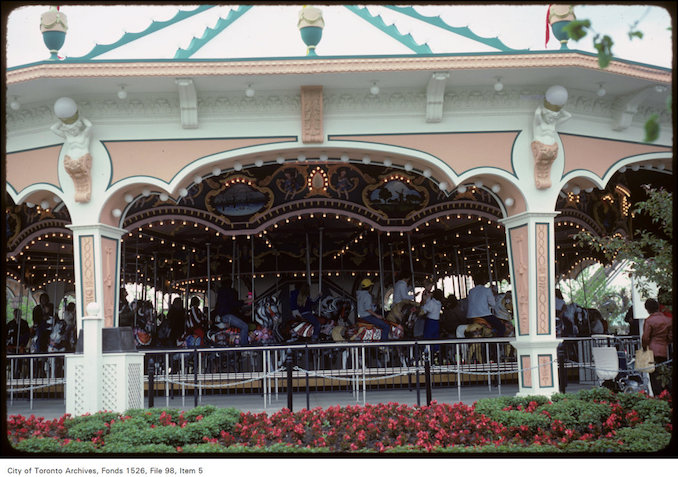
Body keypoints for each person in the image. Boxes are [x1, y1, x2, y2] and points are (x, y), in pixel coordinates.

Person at [642, 298, 673, 396]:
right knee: (664, 374)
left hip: (652, 351)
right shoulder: (668, 320)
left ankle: (658, 396)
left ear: (647, 309)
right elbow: (671, 336)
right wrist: (665, 341)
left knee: (654, 377)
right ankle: (666, 395)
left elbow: (645, 338)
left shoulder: (649, 320)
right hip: (664, 351)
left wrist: (644, 348)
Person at [466, 272, 505, 337]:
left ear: (474, 282)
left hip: (470, 316)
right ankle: (497, 344)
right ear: (484, 281)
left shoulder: (471, 291)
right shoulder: (487, 290)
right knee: (501, 327)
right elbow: (493, 304)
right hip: (484, 315)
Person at [215, 279, 249, 346]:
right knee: (245, 327)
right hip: (228, 316)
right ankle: (244, 348)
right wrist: (244, 302)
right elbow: (233, 304)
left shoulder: (221, 293)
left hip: (223, 316)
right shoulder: (229, 292)